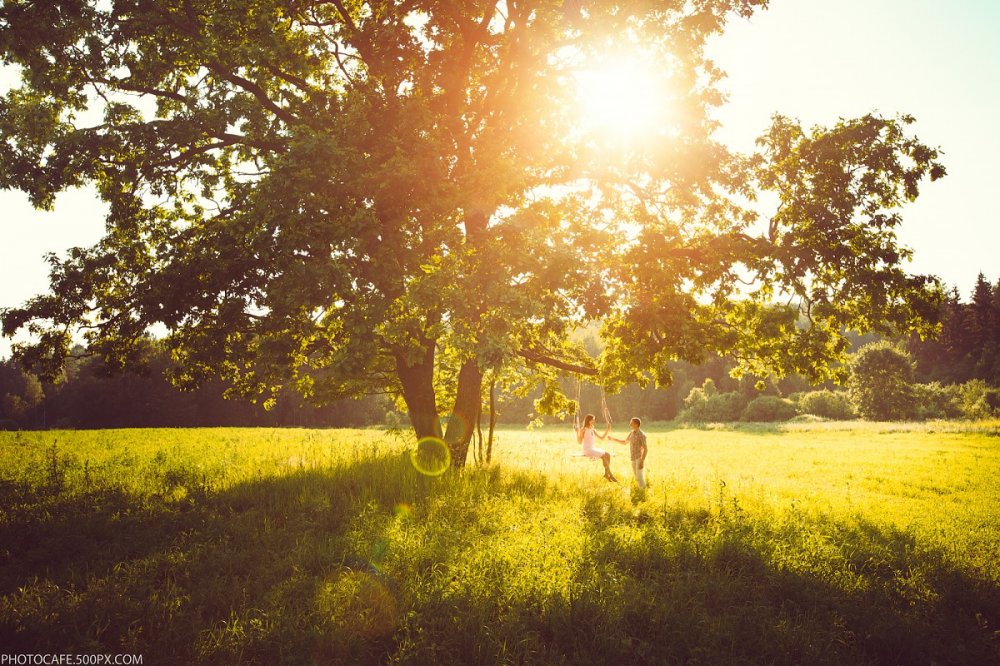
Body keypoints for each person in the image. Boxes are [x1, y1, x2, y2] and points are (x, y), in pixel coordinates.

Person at [577, 413, 618, 482]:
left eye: (594, 420)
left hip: (592, 448)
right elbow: (579, 442)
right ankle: (610, 474)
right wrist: (577, 433)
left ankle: (606, 474)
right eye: (592, 420)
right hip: (587, 449)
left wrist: (607, 430)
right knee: (604, 456)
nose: (594, 421)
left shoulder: (593, 429)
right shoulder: (583, 429)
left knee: (607, 454)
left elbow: (601, 438)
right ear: (588, 420)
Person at [609, 417, 648, 489]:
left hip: (639, 458)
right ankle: (641, 490)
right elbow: (624, 442)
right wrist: (613, 439)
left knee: (639, 476)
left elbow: (645, 449)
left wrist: (642, 461)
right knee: (637, 476)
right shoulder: (631, 433)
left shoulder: (641, 434)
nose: (630, 424)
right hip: (633, 458)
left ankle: (643, 491)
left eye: (631, 423)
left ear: (636, 424)